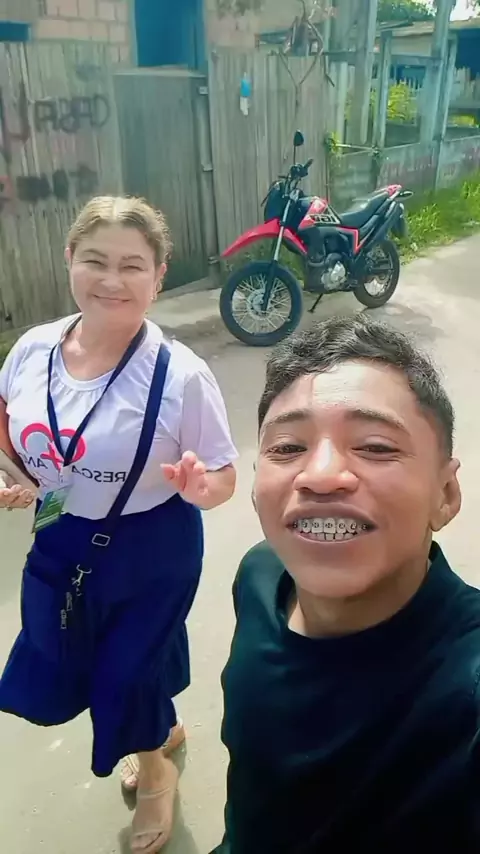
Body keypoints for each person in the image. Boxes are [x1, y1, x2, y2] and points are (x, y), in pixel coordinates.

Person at [0, 195, 237, 854]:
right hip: (59, 532)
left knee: (125, 673)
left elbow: (223, 474)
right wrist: (15, 476)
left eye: (132, 265)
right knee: (62, 649)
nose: (111, 279)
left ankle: (157, 773)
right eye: (95, 260)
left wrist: (202, 487)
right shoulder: (33, 348)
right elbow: (8, 421)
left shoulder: (180, 376)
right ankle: (161, 726)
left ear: (158, 276)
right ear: (69, 260)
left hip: (151, 544)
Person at [212, 314, 480, 854]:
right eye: (287, 447)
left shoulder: (465, 692)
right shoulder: (260, 575)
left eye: (376, 447)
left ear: (446, 494)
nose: (320, 475)